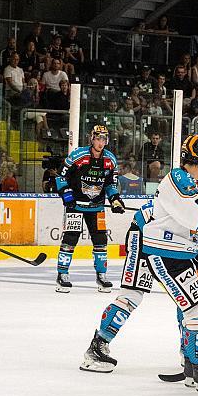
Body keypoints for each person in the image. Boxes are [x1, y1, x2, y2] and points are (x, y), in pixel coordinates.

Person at [80, 142, 198, 395]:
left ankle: (192, 360)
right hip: (149, 240)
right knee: (135, 296)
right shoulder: (185, 182)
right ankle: (100, 347)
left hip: (170, 244)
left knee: (189, 303)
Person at [54, 125, 125, 293]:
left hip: (97, 207)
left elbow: (110, 184)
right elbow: (61, 176)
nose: (101, 143)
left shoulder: (110, 160)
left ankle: (102, 275)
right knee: (71, 238)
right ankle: (62, 275)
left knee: (101, 241)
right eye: (98, 138)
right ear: (92, 138)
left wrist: (115, 199)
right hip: (76, 206)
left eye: (103, 139)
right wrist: (67, 195)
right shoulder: (78, 156)